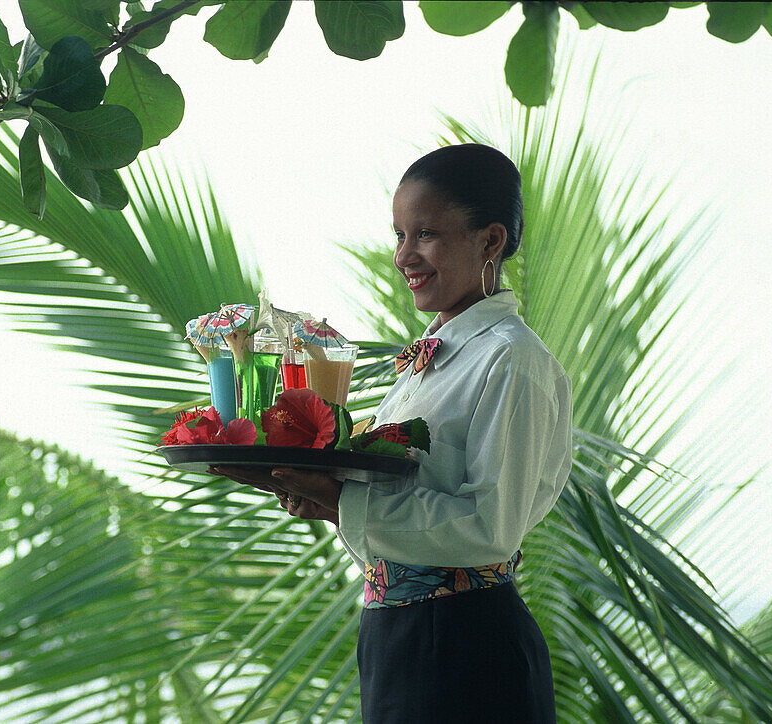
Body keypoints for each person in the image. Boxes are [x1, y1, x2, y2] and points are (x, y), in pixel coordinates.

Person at [212, 143, 571, 723]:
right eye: (399, 235)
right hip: (395, 640)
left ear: (491, 240)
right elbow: (400, 511)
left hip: (467, 648)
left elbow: (489, 528)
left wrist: (341, 497)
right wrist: (321, 496)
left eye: (425, 234)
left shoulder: (512, 361)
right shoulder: (431, 360)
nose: (405, 255)